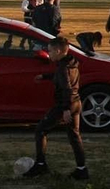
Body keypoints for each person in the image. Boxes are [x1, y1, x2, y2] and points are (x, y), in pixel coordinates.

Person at [24, 34, 88, 180]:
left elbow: (66, 87)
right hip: (77, 103)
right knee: (74, 136)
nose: (49, 54)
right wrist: (45, 76)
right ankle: (82, 169)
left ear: (59, 51)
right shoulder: (71, 63)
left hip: (66, 104)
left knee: (41, 129)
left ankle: (40, 164)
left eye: (50, 51)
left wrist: (65, 109)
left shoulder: (63, 68)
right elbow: (62, 78)